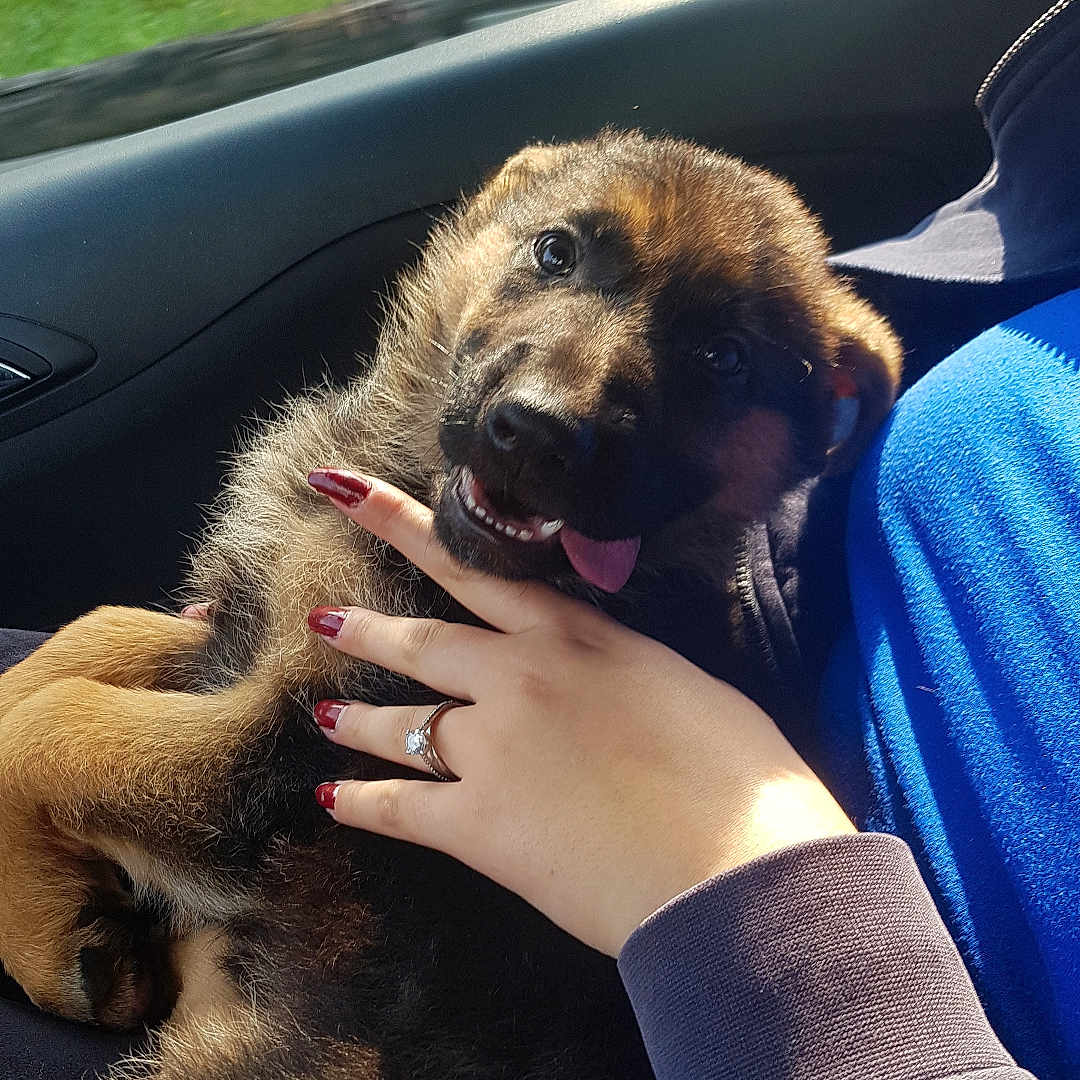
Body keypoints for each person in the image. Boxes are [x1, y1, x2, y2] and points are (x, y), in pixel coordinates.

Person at [2, 3, 1078, 1077]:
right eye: (557, 253)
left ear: (833, 415)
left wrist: (34, 751)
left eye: (715, 363)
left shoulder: (613, 602)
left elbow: (266, 793)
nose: (561, 393)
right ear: (495, 209)